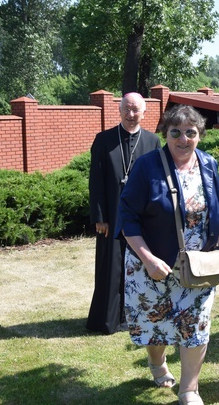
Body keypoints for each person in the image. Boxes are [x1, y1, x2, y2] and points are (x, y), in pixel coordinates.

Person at [116, 104, 219, 405]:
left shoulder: (209, 164)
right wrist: (148, 259)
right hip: (152, 265)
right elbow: (127, 217)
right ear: (165, 134)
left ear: (200, 135)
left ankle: (189, 390)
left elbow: (217, 211)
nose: (183, 139)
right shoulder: (146, 167)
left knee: (196, 323)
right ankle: (156, 362)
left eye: (191, 133)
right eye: (176, 133)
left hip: (198, 265)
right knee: (155, 324)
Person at [86, 92, 161, 335]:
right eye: (126, 109)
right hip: (111, 215)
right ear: (119, 111)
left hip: (142, 219)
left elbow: (157, 182)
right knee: (111, 268)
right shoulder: (103, 139)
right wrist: (99, 216)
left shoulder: (152, 142)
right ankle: (106, 320)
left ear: (144, 112)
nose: (131, 114)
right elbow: (95, 180)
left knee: (139, 268)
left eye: (135, 110)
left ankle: (135, 317)